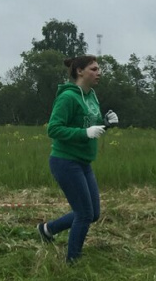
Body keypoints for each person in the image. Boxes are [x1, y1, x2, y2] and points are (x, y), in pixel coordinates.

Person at [38, 55, 118, 263]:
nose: (98, 72)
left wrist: (106, 123)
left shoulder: (91, 95)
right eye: (93, 69)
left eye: (99, 69)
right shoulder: (68, 98)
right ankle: (73, 262)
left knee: (93, 214)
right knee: (83, 214)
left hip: (83, 161)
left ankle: (48, 230)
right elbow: (54, 129)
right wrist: (84, 133)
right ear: (80, 71)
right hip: (65, 161)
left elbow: (91, 123)